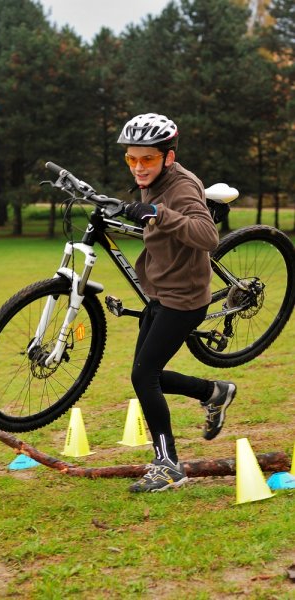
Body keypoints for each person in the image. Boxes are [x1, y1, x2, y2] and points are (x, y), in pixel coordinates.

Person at [118, 113, 237, 493]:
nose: (138, 167)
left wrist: (158, 213)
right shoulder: (152, 179)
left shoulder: (182, 187)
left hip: (183, 297)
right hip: (159, 290)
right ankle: (214, 392)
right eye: (131, 159)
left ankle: (168, 464)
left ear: (167, 158)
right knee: (146, 375)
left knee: (143, 375)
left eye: (147, 159)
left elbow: (207, 235)